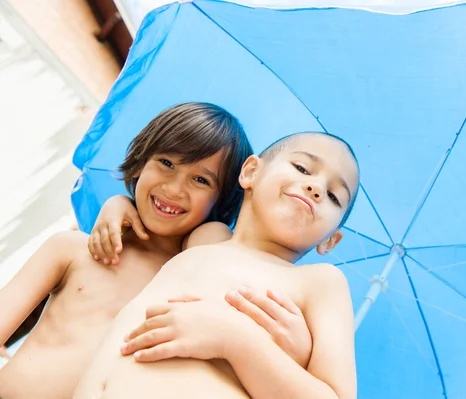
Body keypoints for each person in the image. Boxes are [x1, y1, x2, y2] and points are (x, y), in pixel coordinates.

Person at [0, 102, 259, 399]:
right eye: (166, 163)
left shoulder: (189, 287)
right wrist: (119, 201)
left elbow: (216, 245)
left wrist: (121, 203)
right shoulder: (71, 251)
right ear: (139, 162)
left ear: (221, 202)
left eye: (201, 180)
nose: (174, 189)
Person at [73, 131, 360, 399]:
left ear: (330, 241)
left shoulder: (320, 281)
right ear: (251, 172)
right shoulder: (204, 238)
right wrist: (120, 202)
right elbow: (161, 215)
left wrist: (235, 340)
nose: (316, 187)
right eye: (302, 168)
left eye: (334, 196)